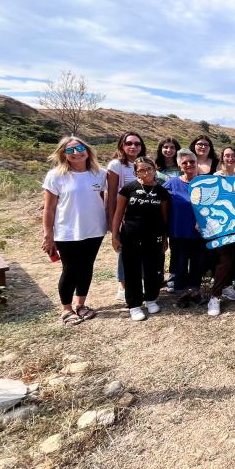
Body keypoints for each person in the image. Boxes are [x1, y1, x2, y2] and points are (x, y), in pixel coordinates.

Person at [42, 136, 108, 325]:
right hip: (67, 230)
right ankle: (66, 309)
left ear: (87, 150)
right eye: (70, 150)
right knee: (70, 269)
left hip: (95, 229)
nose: (76, 153)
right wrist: (48, 234)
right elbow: (49, 208)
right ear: (63, 154)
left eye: (79, 149)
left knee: (87, 267)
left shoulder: (100, 173)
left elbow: (106, 199)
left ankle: (81, 304)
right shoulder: (56, 175)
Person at [111, 156, 170, 322]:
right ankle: (134, 305)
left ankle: (151, 299)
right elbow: (118, 214)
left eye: (149, 169)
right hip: (130, 236)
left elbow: (165, 218)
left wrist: (165, 238)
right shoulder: (128, 188)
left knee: (153, 270)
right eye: (142, 170)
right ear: (136, 172)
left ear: (154, 170)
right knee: (132, 271)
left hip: (154, 237)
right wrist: (114, 235)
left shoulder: (162, 191)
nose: (146, 173)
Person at [163, 149, 207, 310]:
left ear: (197, 164)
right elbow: (162, 207)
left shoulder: (205, 183)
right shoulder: (171, 183)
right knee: (179, 262)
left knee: (198, 263)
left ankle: (195, 290)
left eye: (192, 162)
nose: (189, 165)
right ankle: (181, 292)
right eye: (185, 162)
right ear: (180, 166)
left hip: (200, 233)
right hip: (178, 231)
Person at [107, 132, 147, 303]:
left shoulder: (143, 164)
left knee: (142, 252)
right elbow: (111, 195)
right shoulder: (116, 165)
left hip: (143, 217)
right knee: (124, 254)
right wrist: (112, 224)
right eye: (129, 143)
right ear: (122, 145)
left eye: (137, 144)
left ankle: (141, 284)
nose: (133, 147)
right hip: (124, 217)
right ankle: (123, 286)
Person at [210, 147, 235, 305]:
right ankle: (215, 297)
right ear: (222, 158)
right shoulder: (216, 177)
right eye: (226, 155)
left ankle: (226, 286)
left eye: (232, 155)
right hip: (221, 223)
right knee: (225, 259)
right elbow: (210, 201)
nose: (230, 158)